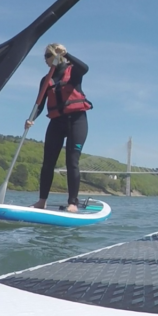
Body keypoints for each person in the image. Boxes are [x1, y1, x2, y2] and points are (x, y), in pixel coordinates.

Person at [25, 43, 93, 213]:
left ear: (56, 55)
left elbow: (85, 68)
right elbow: (39, 104)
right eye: (45, 56)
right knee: (48, 162)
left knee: (72, 161)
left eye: (47, 55)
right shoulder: (46, 79)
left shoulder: (73, 71)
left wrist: (67, 53)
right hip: (56, 122)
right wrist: (30, 119)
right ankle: (42, 201)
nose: (45, 60)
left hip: (77, 121)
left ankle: (73, 203)